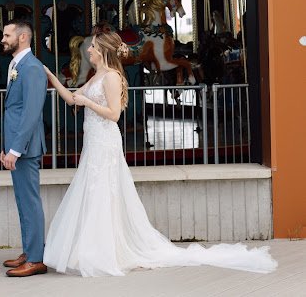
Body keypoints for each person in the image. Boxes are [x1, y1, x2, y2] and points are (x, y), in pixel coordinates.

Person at [43, 30, 277, 278]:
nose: (88, 50)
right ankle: (95, 249)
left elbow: (114, 114)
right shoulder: (96, 76)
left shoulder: (111, 77)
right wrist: (50, 76)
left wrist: (88, 103)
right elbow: (72, 98)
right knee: (93, 191)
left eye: (92, 47)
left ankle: (105, 252)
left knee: (102, 192)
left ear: (102, 50)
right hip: (93, 142)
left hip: (105, 142)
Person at [0, 20, 48, 278]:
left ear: (22, 37)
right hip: (16, 146)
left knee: (30, 201)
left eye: (7, 35)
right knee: (22, 201)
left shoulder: (32, 67)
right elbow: (13, 109)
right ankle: (29, 252)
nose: (3, 39)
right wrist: (6, 147)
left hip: (26, 148)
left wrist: (16, 149)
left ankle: (36, 259)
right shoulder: (16, 65)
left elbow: (30, 113)